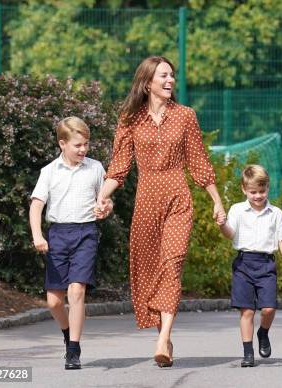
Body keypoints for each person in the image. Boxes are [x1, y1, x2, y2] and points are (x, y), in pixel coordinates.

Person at [96, 56, 226, 368]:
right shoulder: (130, 119)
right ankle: (164, 336)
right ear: (147, 82)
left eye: (172, 76)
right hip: (146, 203)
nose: (170, 81)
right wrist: (102, 197)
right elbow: (119, 167)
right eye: (163, 76)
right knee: (151, 271)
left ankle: (162, 338)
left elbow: (198, 160)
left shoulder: (185, 116)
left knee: (173, 263)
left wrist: (217, 200)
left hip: (178, 199)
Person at [29, 116, 112, 370]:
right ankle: (67, 334)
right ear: (62, 144)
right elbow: (36, 206)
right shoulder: (50, 171)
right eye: (78, 145)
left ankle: (73, 350)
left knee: (77, 290)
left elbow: (105, 200)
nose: (83, 149)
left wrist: (105, 208)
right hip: (57, 235)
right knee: (54, 301)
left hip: (86, 233)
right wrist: (38, 235)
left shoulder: (95, 168)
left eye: (86, 144)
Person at [218, 164, 282, 367]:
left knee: (268, 309)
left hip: (266, 264)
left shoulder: (275, 213)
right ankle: (248, 353)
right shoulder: (237, 210)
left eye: (262, 191)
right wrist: (221, 224)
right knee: (247, 311)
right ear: (244, 189)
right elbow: (230, 234)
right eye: (253, 192)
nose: (258, 196)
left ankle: (263, 332)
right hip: (244, 264)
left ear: (267, 188)